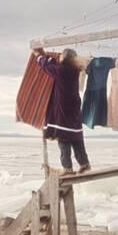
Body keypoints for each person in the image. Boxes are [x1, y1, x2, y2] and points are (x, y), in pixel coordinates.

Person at [31, 47, 91, 175]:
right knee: (76, 138)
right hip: (74, 107)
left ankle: (67, 168)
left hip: (64, 108)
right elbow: (54, 66)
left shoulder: (62, 70)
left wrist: (39, 56)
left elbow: (47, 67)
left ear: (65, 58)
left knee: (63, 138)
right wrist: (46, 57)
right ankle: (84, 164)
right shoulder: (74, 70)